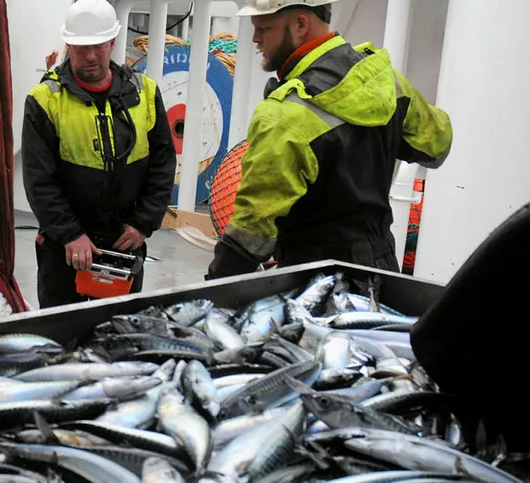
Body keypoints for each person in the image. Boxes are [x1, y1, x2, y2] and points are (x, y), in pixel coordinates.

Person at [205, 0, 454, 280]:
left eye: (264, 27)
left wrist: (209, 291)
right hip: (381, 272)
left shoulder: (285, 113)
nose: (255, 38)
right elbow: (437, 146)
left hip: (315, 285)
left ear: (301, 24)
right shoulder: (385, 81)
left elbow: (251, 233)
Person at [22, 0, 177, 308]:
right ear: (68, 44)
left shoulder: (144, 92)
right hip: (66, 247)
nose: (90, 56)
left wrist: (143, 223)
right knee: (62, 333)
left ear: (112, 42)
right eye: (81, 48)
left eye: (98, 46)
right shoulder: (45, 100)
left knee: (120, 330)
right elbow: (39, 179)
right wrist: (69, 234)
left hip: (125, 241)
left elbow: (162, 162)